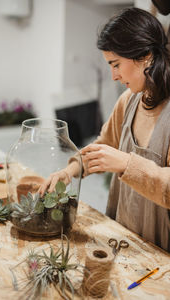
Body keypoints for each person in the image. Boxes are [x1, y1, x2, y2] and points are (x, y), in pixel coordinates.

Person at [39, 7, 170, 252]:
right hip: (125, 234)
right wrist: (71, 169)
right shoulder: (129, 100)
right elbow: (104, 145)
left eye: (116, 64)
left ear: (146, 56)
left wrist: (126, 164)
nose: (113, 76)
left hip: (162, 250)